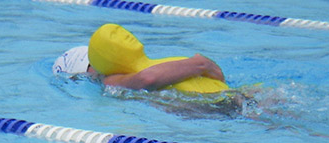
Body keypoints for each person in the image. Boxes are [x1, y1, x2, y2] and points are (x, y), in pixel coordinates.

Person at [53, 23, 228, 94]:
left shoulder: (111, 82)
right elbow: (147, 78)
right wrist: (202, 64)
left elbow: (148, 78)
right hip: (217, 106)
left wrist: (201, 66)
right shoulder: (111, 82)